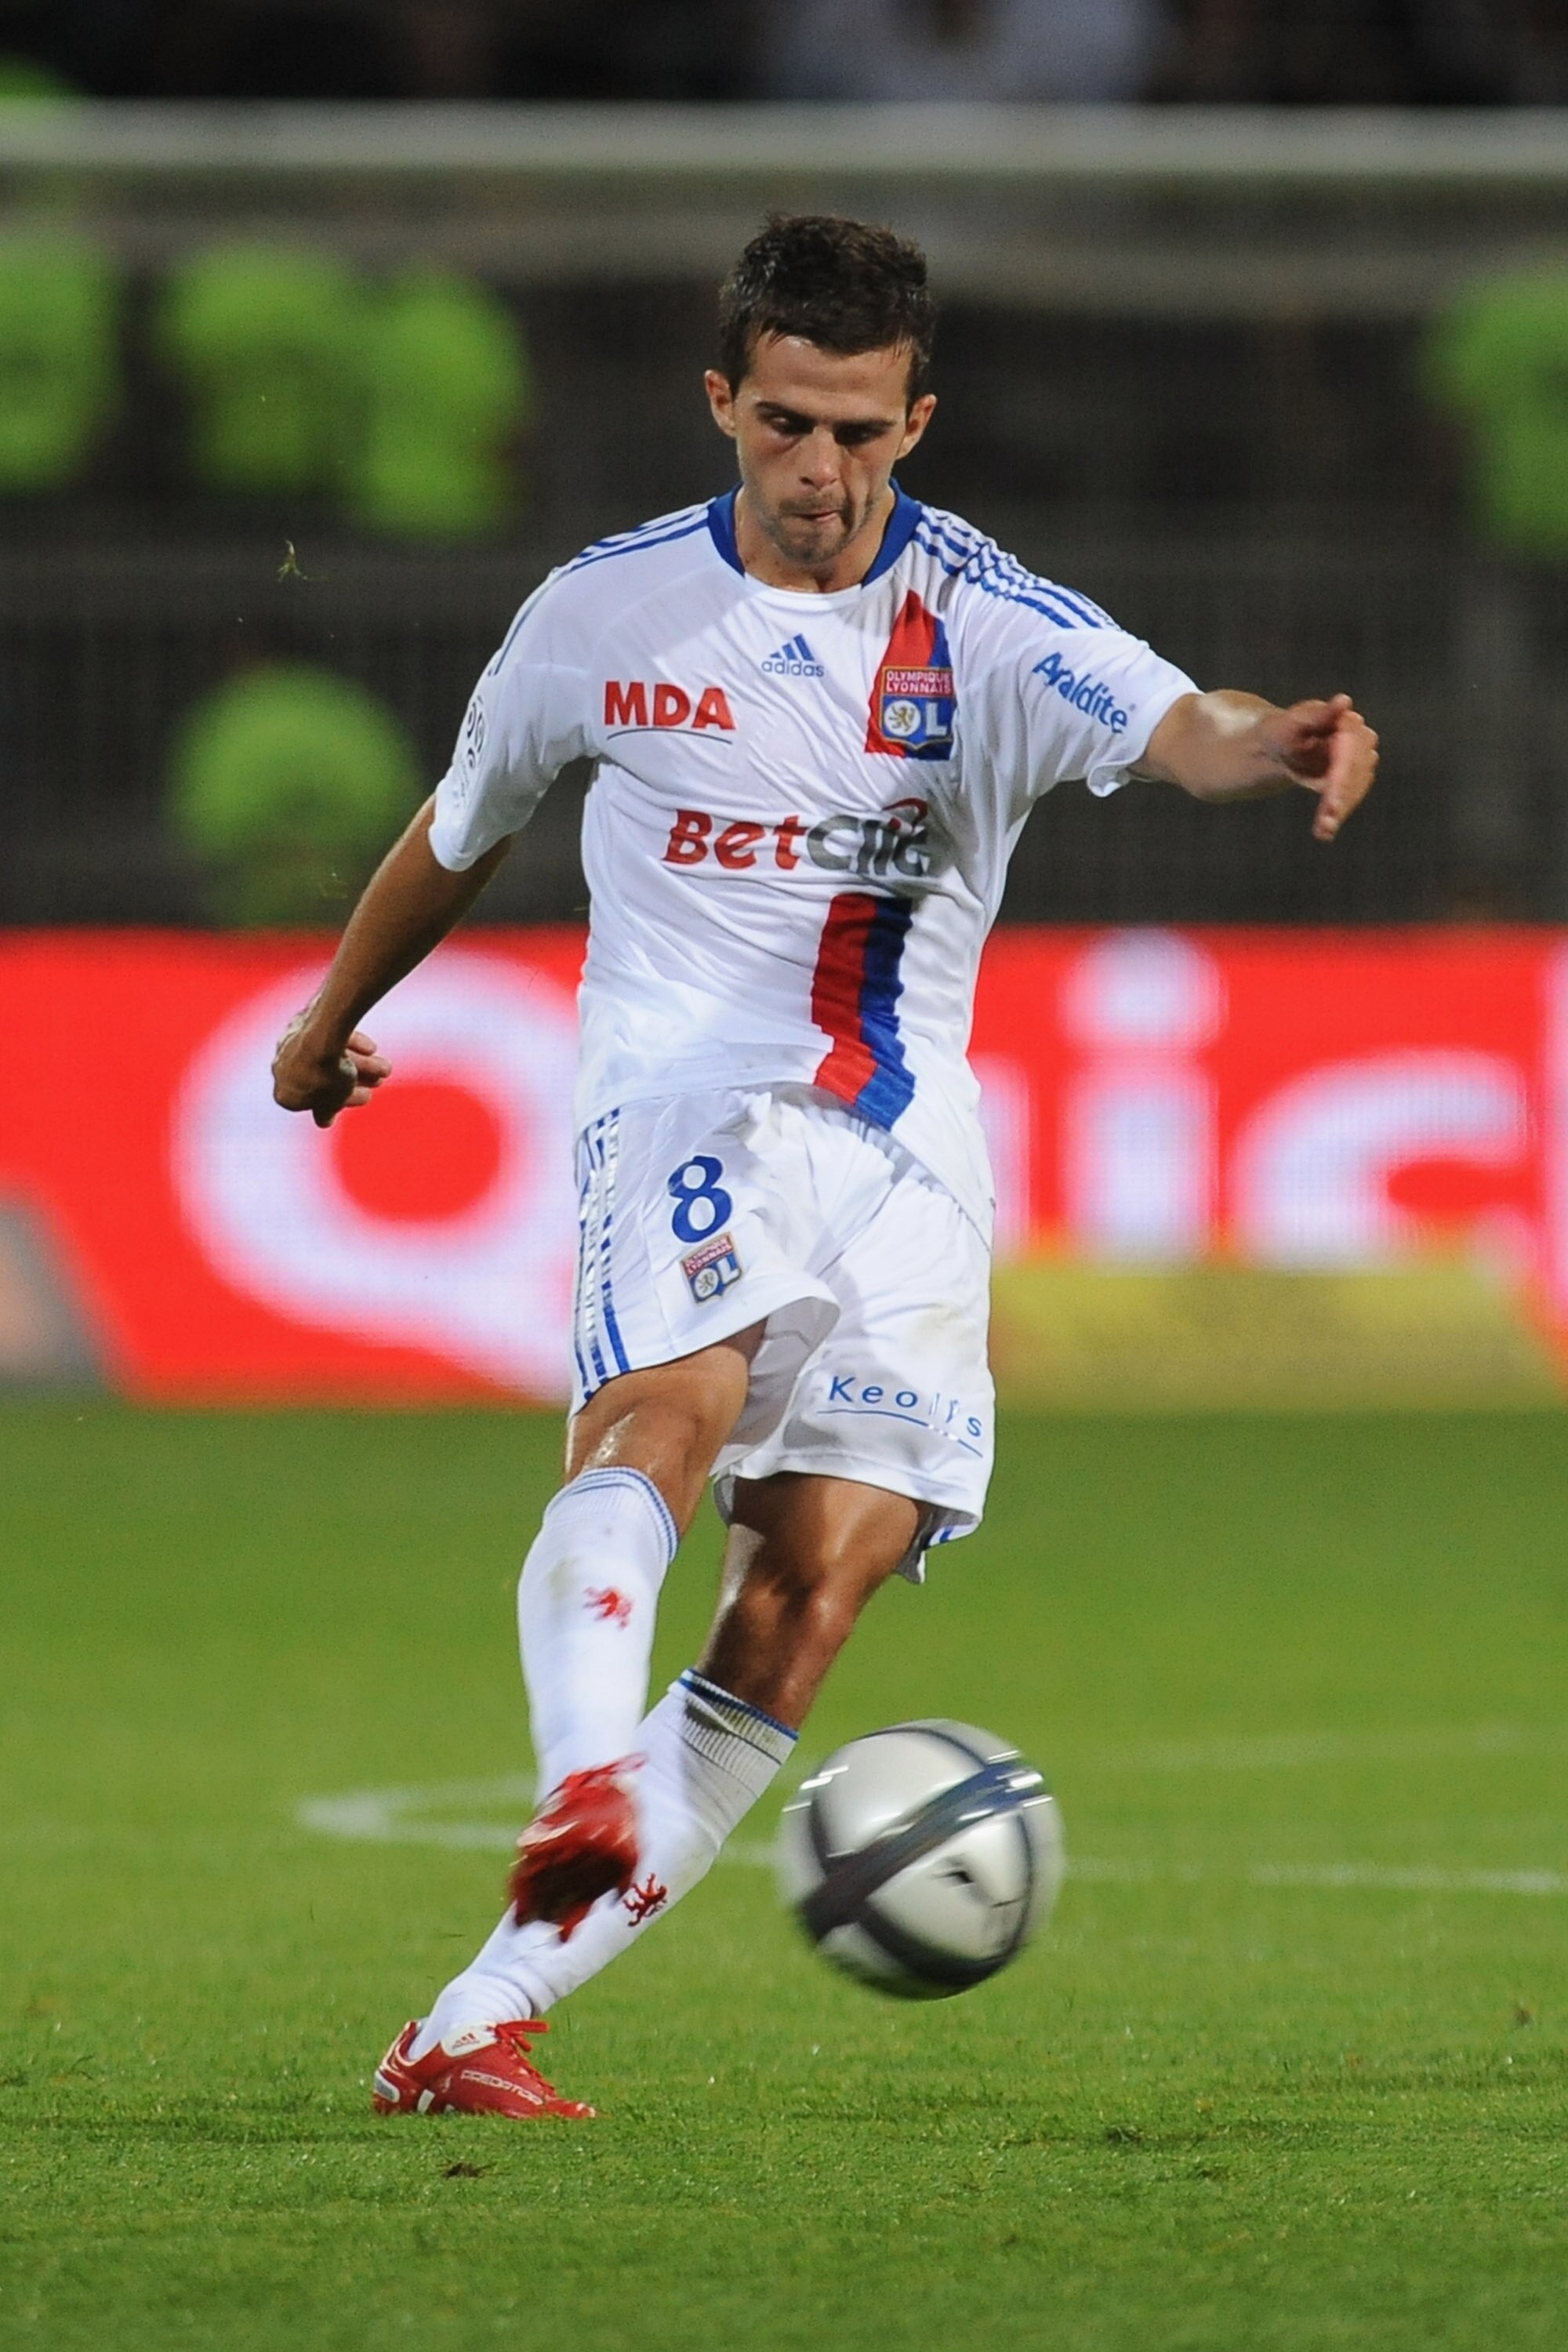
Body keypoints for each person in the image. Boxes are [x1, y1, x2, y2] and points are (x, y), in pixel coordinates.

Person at [271, 213, 1377, 2120]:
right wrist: (320, 1025)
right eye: (785, 423)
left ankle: (472, 2025)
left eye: (861, 432)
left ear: (916, 420)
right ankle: (578, 1774)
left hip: (911, 1153)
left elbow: (1173, 726)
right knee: (663, 1424)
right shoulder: (599, 615)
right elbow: (460, 828)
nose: (819, 471)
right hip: (683, 1094)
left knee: (812, 1592)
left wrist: (1272, 739)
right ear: (723, 401)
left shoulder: (989, 620)